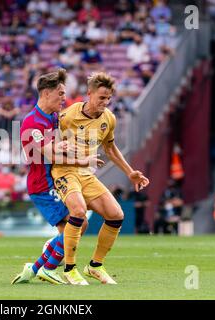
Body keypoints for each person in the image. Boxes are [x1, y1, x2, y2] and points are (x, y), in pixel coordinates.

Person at [51, 72, 149, 285]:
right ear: (89, 94)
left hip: (86, 174)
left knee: (116, 215)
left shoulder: (108, 119)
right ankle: (69, 269)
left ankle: (95, 266)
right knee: (78, 212)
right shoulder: (68, 116)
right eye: (101, 98)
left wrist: (130, 172)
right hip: (64, 171)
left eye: (109, 98)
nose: (106, 102)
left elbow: (110, 148)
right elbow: (50, 148)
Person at [11, 69, 99, 285]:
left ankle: (34, 269)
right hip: (43, 184)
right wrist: (78, 158)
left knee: (71, 228)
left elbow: (60, 147)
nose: (63, 98)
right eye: (60, 93)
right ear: (46, 93)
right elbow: (50, 153)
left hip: (54, 180)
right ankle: (47, 267)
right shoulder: (33, 123)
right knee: (80, 223)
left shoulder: (51, 117)